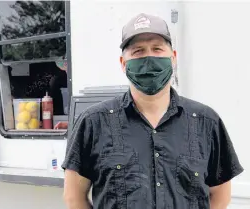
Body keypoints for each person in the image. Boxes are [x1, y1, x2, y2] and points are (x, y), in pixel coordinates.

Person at [61, 13, 244, 209]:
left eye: (157, 49)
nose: (149, 58)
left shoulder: (206, 121)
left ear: (173, 58)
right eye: (138, 51)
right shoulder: (93, 122)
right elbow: (74, 198)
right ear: (123, 63)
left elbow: (220, 196)